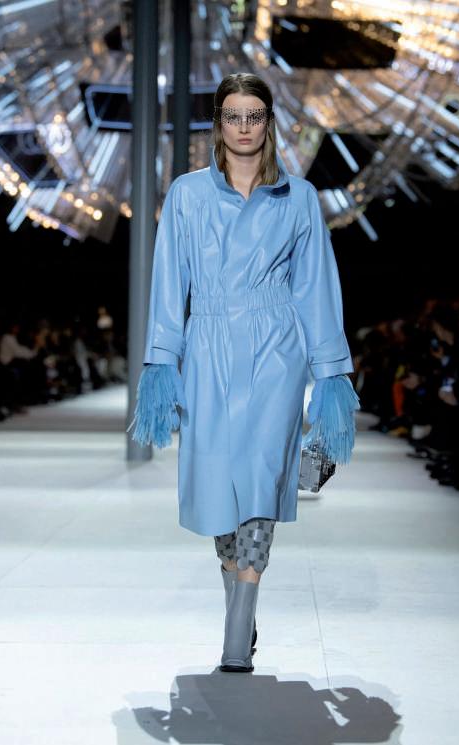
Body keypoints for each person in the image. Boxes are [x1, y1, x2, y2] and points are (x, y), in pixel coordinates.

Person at [127, 72, 360, 672]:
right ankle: (240, 603)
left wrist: (330, 373)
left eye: (254, 115)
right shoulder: (186, 195)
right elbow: (169, 283)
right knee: (216, 485)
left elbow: (316, 288)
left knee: (259, 479)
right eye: (233, 115)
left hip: (275, 349)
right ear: (219, 124)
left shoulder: (299, 198)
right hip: (206, 345)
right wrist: (162, 360)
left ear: (268, 123)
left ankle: (237, 627)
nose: (244, 127)